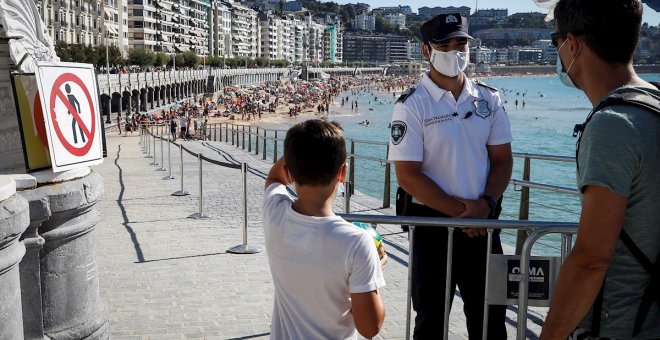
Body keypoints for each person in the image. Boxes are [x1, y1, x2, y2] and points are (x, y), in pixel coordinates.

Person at [540, 0, 660, 339]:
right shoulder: (654, 105)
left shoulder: (613, 124)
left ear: (573, 45)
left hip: (620, 325)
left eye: (556, 41)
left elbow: (591, 260)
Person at [388, 13, 512, 339]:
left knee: (490, 320)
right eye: (444, 44)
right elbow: (408, 175)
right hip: (433, 229)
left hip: (484, 226)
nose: (454, 51)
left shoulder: (489, 99)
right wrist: (462, 213)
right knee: (431, 320)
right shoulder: (412, 105)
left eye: (461, 43)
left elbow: (502, 161)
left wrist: (484, 205)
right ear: (427, 51)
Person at [263, 120, 387, 339]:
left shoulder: (275, 213)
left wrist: (301, 147)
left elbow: (274, 178)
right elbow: (370, 328)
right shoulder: (357, 243)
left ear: (289, 171)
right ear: (343, 173)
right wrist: (375, 268)